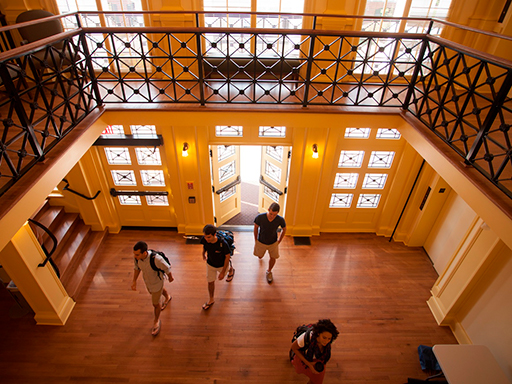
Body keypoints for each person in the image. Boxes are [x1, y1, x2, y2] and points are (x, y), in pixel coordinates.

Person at [131, 241, 174, 336]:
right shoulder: (137, 258)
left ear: (144, 252)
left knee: (155, 304)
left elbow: (167, 268)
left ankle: (156, 321)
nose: (135, 256)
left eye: (137, 254)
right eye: (134, 254)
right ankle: (167, 297)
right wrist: (134, 281)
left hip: (156, 282)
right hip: (148, 282)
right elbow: (137, 268)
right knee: (157, 291)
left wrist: (170, 277)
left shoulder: (156, 259)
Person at [290, 319, 339, 384]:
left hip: (318, 362)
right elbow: (294, 348)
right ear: (318, 333)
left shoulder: (329, 341)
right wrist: (309, 364)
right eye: (324, 338)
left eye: (329, 339)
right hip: (304, 359)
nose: (326, 341)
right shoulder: (306, 338)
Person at [200, 224, 235, 310]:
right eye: (205, 237)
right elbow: (205, 246)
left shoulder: (223, 244)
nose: (206, 239)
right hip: (210, 264)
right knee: (210, 282)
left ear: (214, 235)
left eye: (208, 237)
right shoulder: (205, 240)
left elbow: (227, 257)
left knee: (227, 270)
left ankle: (230, 270)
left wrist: (223, 272)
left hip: (222, 265)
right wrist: (203, 254)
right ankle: (211, 299)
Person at [253, 202, 286, 283]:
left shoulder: (280, 219)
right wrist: (256, 240)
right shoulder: (260, 217)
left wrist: (279, 240)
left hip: (273, 242)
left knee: (273, 257)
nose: (272, 216)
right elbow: (256, 228)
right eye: (271, 214)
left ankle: (269, 271)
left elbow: (284, 229)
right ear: (268, 210)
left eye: (275, 215)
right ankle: (260, 256)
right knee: (260, 256)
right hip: (261, 241)